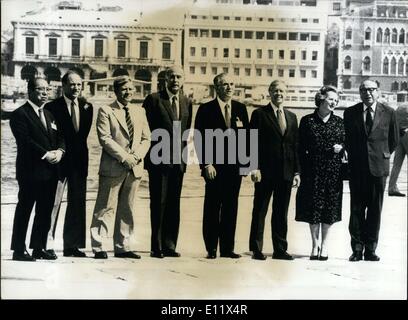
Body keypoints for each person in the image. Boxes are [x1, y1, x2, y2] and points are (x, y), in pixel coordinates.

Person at [90, 76, 151, 259]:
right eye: (124, 89)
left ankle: (122, 246)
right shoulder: (106, 110)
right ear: (116, 91)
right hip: (113, 167)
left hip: (134, 167)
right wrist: (125, 158)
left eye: (131, 89)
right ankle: (99, 246)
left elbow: (146, 138)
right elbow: (105, 138)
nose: (128, 92)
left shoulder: (140, 111)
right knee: (105, 207)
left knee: (127, 208)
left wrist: (136, 157)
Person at [194, 73, 249, 259]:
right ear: (216, 87)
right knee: (212, 206)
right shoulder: (205, 109)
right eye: (225, 84)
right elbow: (199, 139)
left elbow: (246, 139)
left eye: (232, 84)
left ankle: (227, 248)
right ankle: (211, 247)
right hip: (214, 168)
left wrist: (246, 166)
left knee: (231, 208)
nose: (229, 87)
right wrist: (206, 164)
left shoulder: (241, 109)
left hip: (234, 169)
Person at [9, 77, 65, 261]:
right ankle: (18, 249)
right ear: (30, 91)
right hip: (30, 171)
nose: (45, 93)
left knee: (45, 210)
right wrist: (46, 154)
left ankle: (38, 247)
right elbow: (25, 141)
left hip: (50, 172)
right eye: (40, 89)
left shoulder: (49, 114)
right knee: (25, 209)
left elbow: (60, 137)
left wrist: (60, 151)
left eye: (47, 89)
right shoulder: (19, 114)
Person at [344, 80, 399, 262]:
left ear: (378, 91)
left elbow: (394, 141)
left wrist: (381, 155)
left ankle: (371, 249)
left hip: (378, 168)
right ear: (359, 93)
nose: (367, 93)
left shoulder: (389, 112)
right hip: (357, 168)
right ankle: (357, 249)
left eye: (371, 89)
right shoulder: (350, 113)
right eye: (363, 90)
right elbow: (348, 139)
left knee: (375, 210)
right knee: (356, 209)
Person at [142, 66, 193, 258]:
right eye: (172, 77)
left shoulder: (187, 101)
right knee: (158, 203)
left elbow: (186, 132)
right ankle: (157, 247)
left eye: (179, 77)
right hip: (158, 160)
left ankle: (170, 245)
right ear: (166, 79)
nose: (175, 80)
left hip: (178, 161)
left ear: (183, 80)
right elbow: (145, 131)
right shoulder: (154, 99)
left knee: (174, 203)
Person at [249, 80, 300, 261]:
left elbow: (295, 146)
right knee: (260, 210)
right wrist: (253, 167)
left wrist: (296, 172)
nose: (279, 93)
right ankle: (256, 248)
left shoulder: (292, 117)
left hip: (286, 172)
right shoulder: (259, 114)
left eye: (282, 91)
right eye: (275, 90)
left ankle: (280, 249)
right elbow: (251, 142)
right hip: (265, 172)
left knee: (281, 212)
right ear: (269, 92)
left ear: (286, 93)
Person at [45, 70, 93, 258]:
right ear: (63, 86)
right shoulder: (52, 107)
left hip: (80, 162)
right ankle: (46, 243)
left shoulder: (87, 107)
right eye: (72, 84)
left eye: (79, 85)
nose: (76, 88)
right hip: (59, 162)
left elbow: (82, 136)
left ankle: (72, 246)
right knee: (53, 203)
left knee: (77, 203)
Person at [295, 86, 345, 261]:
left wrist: (342, 148)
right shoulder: (307, 121)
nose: (334, 102)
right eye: (331, 99)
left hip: (333, 172)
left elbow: (346, 144)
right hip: (312, 172)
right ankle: (314, 244)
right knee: (313, 209)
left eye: (336, 100)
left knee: (330, 209)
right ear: (321, 99)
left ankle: (325, 245)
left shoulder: (339, 122)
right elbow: (300, 148)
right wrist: (298, 172)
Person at [388, 103, 408, 197]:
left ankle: (392, 187)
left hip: (399, 135)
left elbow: (393, 121)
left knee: (397, 163)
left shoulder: (401, 107)